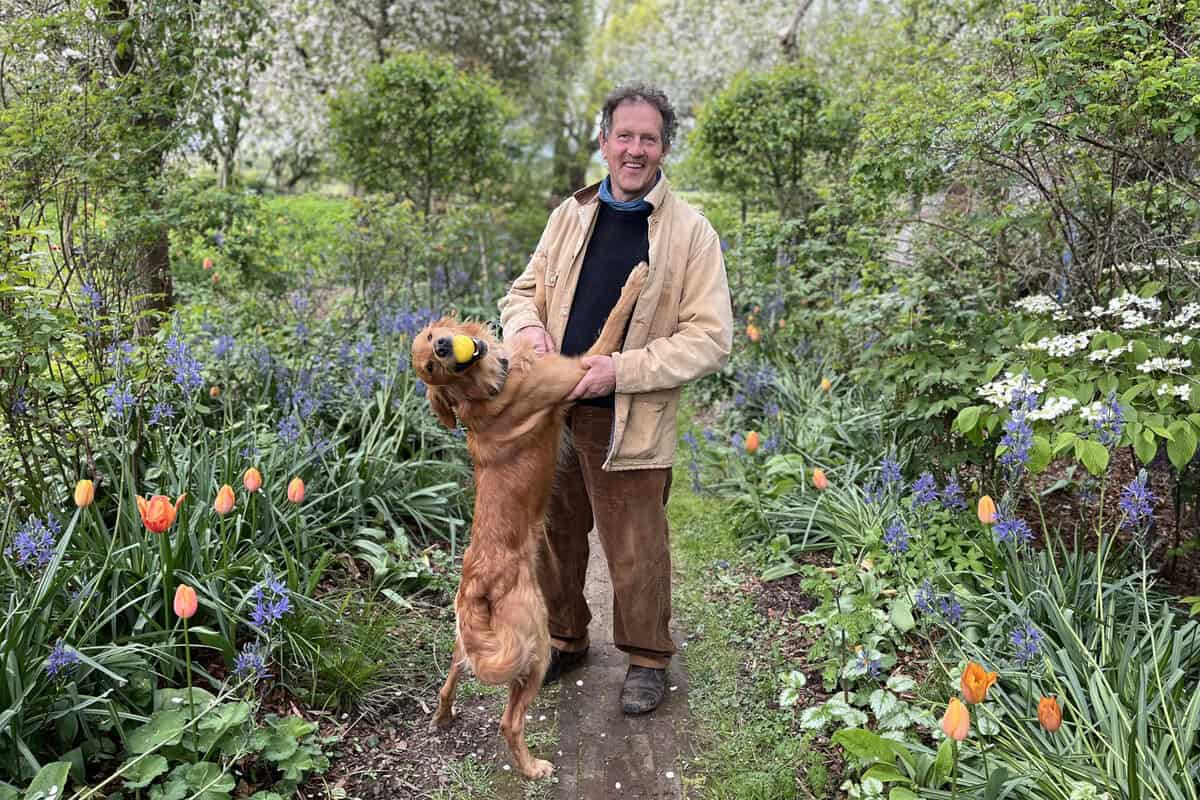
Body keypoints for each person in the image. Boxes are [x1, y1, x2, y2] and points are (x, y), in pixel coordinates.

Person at [498, 84, 733, 714]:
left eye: (648, 139)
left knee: (636, 547)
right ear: (604, 142)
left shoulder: (691, 233)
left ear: (663, 148)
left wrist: (618, 371)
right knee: (556, 534)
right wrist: (526, 329)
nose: (634, 149)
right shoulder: (569, 216)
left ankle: (648, 657)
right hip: (553, 411)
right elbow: (522, 292)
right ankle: (566, 637)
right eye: (623, 136)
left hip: (629, 416)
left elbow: (710, 339)